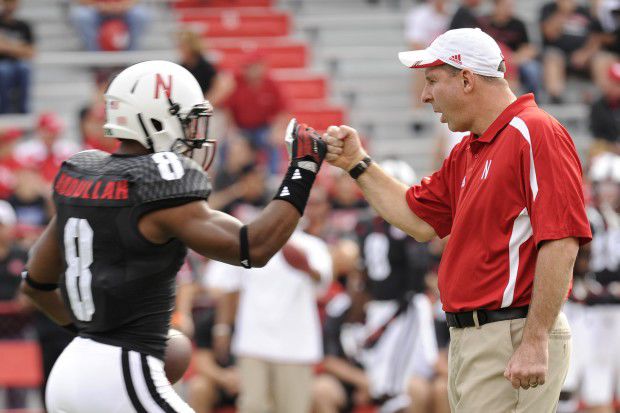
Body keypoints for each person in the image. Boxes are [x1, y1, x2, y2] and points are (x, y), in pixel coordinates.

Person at [20, 60, 327, 413]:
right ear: (155, 118)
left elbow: (35, 284)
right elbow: (252, 248)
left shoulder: (84, 172)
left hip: (71, 368)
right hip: (121, 371)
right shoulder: (159, 183)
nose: (193, 132)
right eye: (186, 120)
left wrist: (93, 334)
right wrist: (302, 169)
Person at [323, 28, 592, 412]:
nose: (424, 95)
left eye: (432, 80)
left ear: (466, 79)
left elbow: (562, 241)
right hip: (479, 337)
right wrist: (356, 163)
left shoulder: (535, 132)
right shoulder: (472, 148)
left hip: (510, 334)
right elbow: (418, 219)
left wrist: (534, 340)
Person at [203, 228, 332, 413]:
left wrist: (306, 267)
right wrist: (221, 328)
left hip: (295, 345)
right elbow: (223, 285)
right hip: (253, 341)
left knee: (293, 409)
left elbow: (322, 282)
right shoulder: (249, 242)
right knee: (252, 406)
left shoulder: (311, 245)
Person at [0, 0, 34, 114]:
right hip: (3, 64)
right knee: (4, 71)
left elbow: (31, 52)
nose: (10, 5)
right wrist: (19, 47)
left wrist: (7, 45)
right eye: (7, 2)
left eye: (13, 2)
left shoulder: (24, 26)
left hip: (19, 63)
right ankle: (3, 112)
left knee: (25, 68)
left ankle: (22, 111)